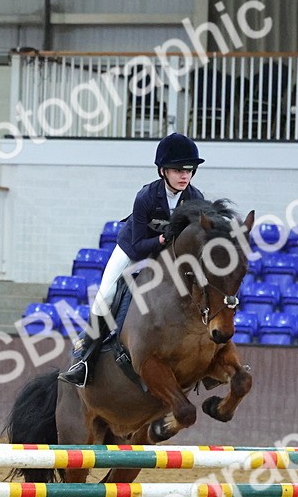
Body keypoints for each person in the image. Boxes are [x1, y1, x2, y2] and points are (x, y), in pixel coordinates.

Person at [59, 133, 206, 387]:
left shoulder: (195, 199)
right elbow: (138, 248)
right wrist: (162, 241)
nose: (185, 175)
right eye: (178, 170)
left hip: (167, 256)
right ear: (163, 171)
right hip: (133, 249)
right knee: (106, 294)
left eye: (189, 170)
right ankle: (84, 358)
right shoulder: (146, 197)